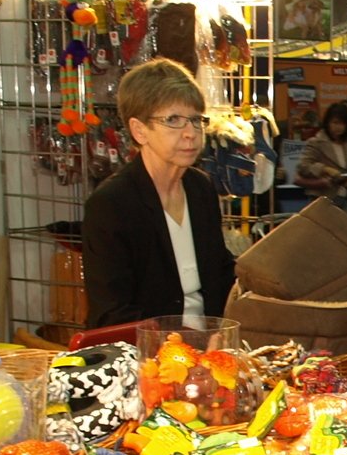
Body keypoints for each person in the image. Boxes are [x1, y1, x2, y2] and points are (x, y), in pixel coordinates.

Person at [83, 58, 237, 328]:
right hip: (148, 348)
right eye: (173, 120)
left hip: (212, 342)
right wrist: (185, 341)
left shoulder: (201, 188)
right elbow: (111, 312)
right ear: (139, 130)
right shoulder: (112, 203)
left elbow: (221, 275)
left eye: (195, 119)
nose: (191, 133)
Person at [295, 103, 347, 210]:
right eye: (335, 122)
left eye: (342, 123)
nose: (339, 127)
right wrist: (325, 169)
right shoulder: (316, 142)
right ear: (327, 123)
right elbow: (303, 166)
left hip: (345, 199)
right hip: (322, 198)